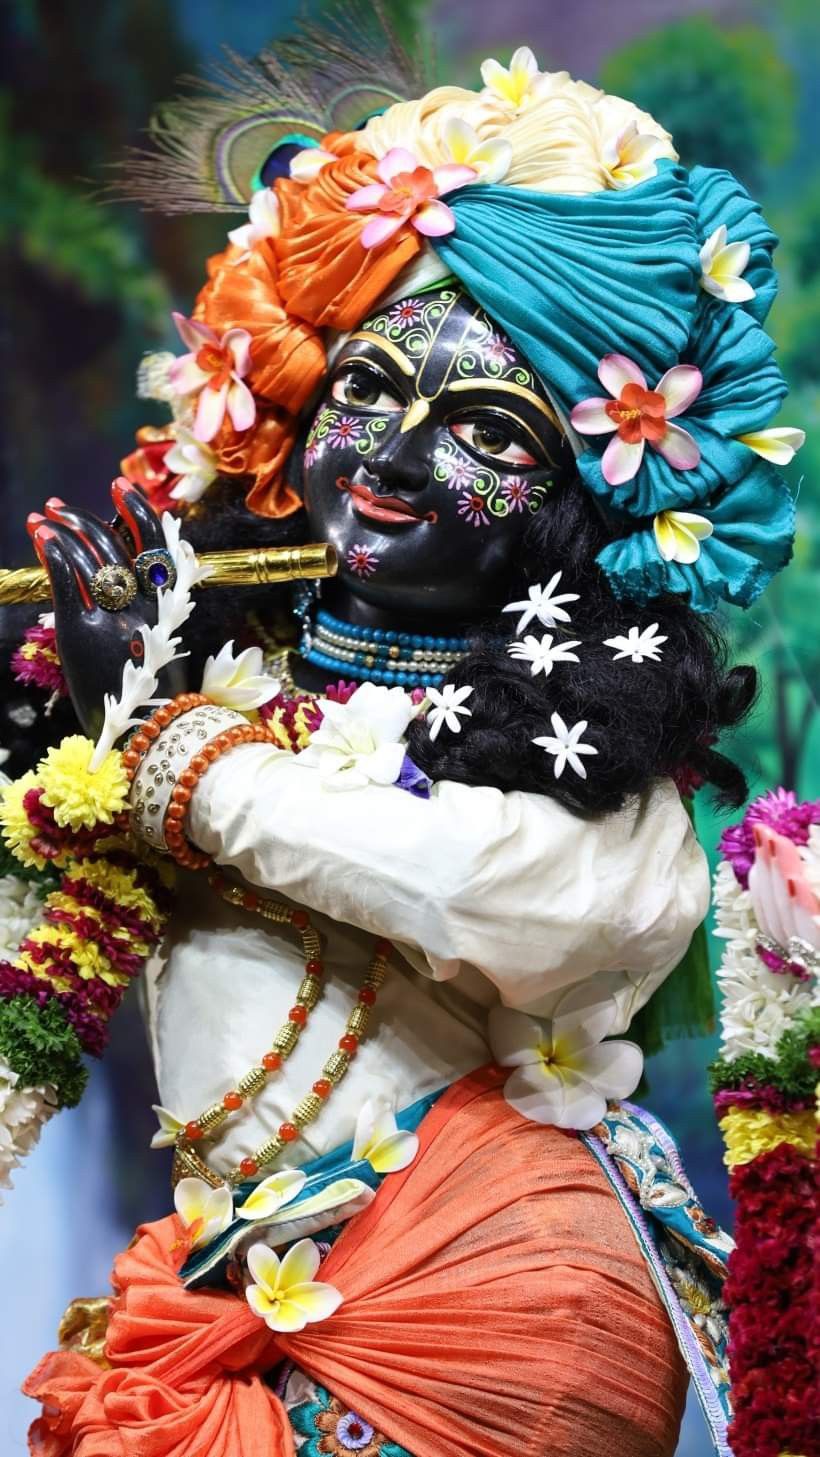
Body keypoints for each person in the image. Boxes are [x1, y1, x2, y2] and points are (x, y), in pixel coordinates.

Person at [2, 14, 804, 1456]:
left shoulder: (586, 742)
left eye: (485, 431)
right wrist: (72, 732)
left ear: (576, 501)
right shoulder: (224, 667)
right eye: (366, 390)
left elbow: (504, 898)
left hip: (506, 1296)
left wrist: (173, 757)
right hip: (246, 1284)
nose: (391, 456)